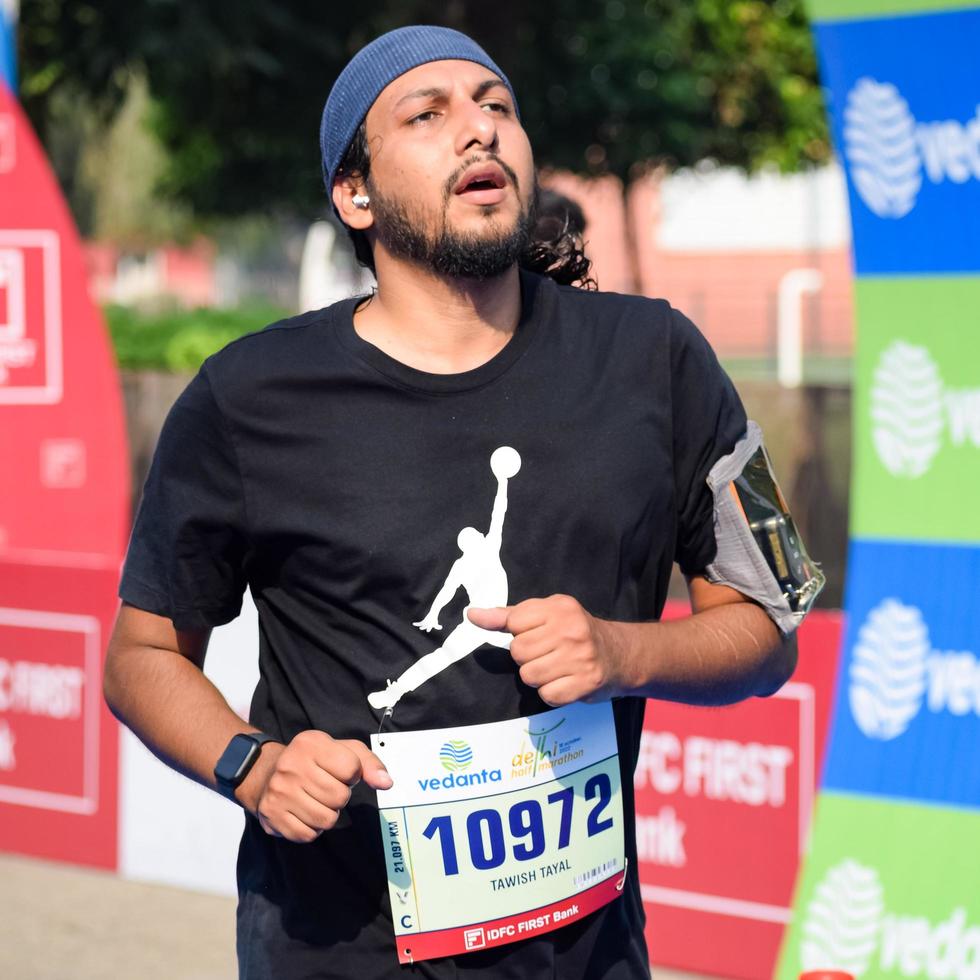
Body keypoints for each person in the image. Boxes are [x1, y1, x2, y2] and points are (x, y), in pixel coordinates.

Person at [104, 25, 798, 980]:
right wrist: (251, 766)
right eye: (427, 115)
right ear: (355, 194)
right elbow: (140, 658)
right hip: (334, 953)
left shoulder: (661, 360)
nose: (478, 130)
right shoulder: (246, 399)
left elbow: (769, 627)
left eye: (495, 105)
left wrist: (624, 652)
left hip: (590, 958)